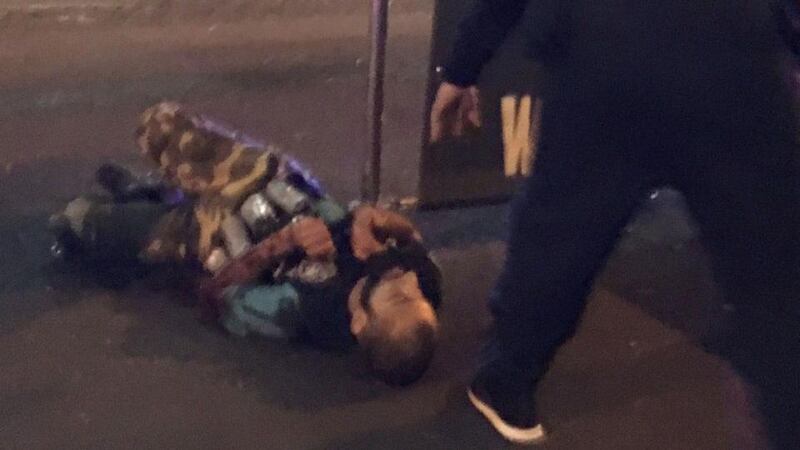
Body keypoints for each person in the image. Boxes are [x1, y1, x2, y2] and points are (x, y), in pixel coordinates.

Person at [430, 0, 800, 446]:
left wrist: (463, 66)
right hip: (731, 56)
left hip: (608, 52)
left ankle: (508, 375)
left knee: (559, 236)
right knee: (773, 277)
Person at [51, 103, 442, 386]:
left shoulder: (305, 309)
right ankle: (156, 191)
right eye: (417, 295)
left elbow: (222, 297)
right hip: (269, 184)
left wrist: (284, 242)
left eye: (398, 298)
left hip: (217, 233)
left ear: (359, 322)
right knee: (158, 122)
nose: (407, 280)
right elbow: (413, 237)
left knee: (79, 217)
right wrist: (371, 219)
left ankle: (142, 204)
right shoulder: (423, 281)